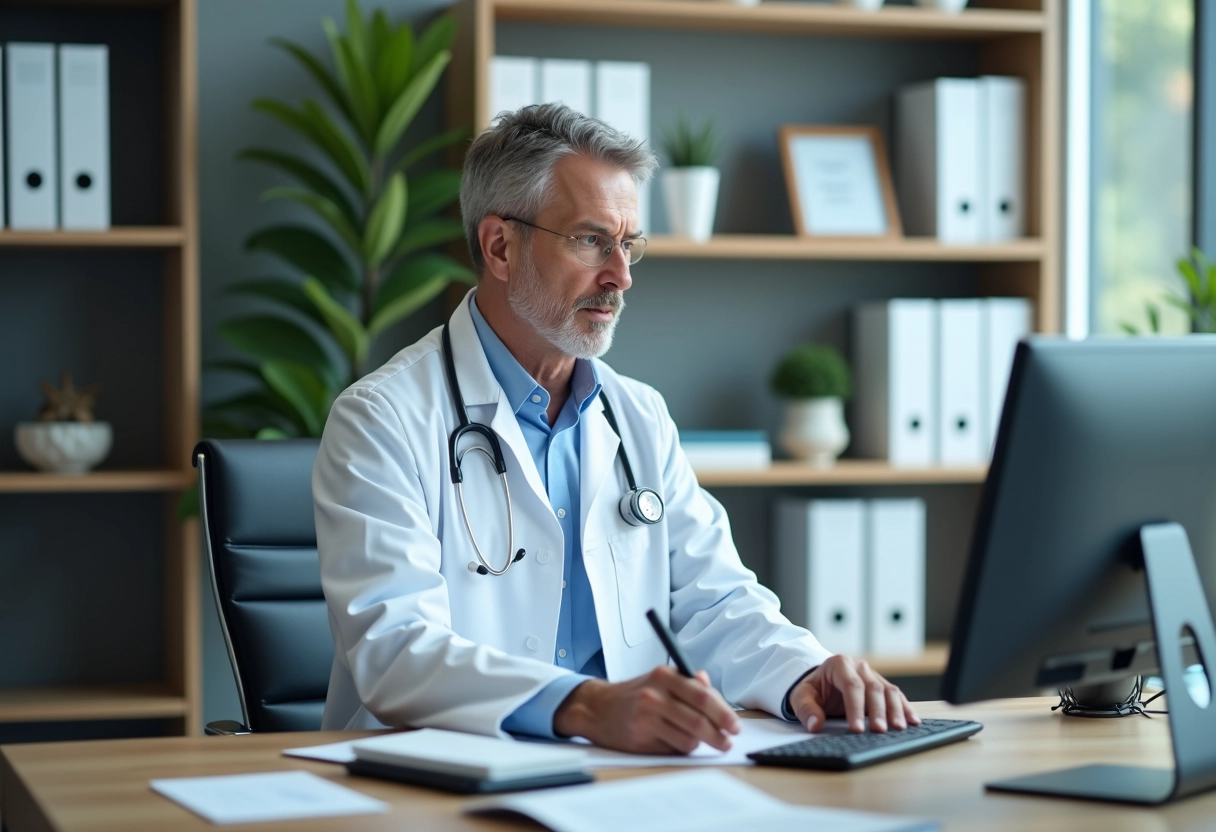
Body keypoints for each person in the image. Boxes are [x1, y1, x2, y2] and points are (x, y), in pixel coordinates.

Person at [314, 102, 919, 754]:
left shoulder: (637, 417)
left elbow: (715, 602)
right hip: (439, 783)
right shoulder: (382, 419)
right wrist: (587, 706)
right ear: (499, 246)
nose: (621, 276)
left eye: (629, 245)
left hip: (623, 777)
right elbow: (396, 649)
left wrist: (805, 669)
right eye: (590, 240)